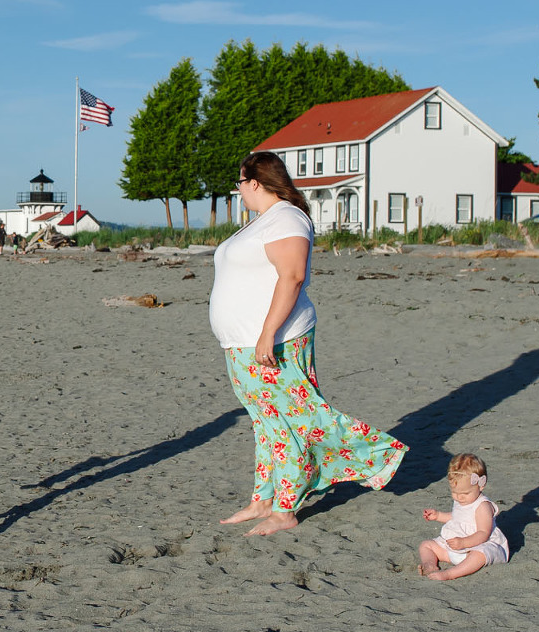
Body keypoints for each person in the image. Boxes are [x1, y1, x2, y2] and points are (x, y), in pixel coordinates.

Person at [209, 151, 406, 536]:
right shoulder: (264, 221)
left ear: (255, 182)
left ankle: (292, 505)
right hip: (243, 344)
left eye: (240, 183)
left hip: (274, 341)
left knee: (297, 420)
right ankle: (264, 498)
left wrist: (267, 333)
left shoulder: (286, 218)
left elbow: (293, 276)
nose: (238, 190)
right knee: (268, 423)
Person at [419, 453, 509, 581]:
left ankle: (450, 574)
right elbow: (457, 518)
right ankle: (429, 564)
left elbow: (483, 533)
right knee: (426, 545)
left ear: (480, 485)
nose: (459, 497)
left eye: (465, 493)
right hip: (453, 549)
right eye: (454, 492)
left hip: (474, 547)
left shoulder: (482, 506)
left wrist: (464, 542)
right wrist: (438, 515)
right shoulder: (461, 500)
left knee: (480, 555)